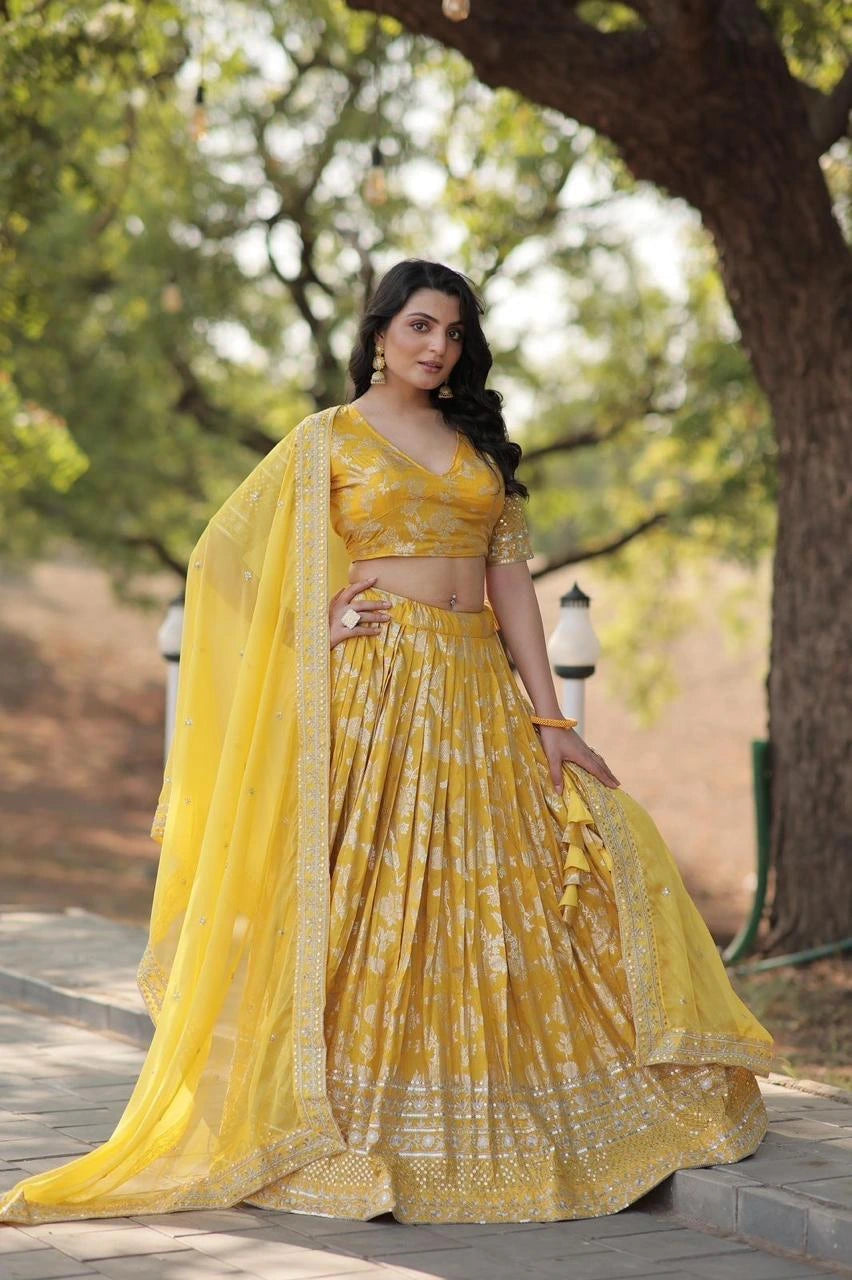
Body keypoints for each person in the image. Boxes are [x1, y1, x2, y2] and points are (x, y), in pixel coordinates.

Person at [0, 259, 772, 1227]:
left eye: (453, 331)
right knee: (379, 894)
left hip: (478, 691)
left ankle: (510, 1092)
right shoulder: (325, 439)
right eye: (419, 326)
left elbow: (510, 585)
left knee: (505, 885)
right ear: (378, 333)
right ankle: (352, 1108)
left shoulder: (477, 442)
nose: (437, 346)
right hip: (381, 690)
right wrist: (312, 624)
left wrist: (551, 719)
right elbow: (224, 560)